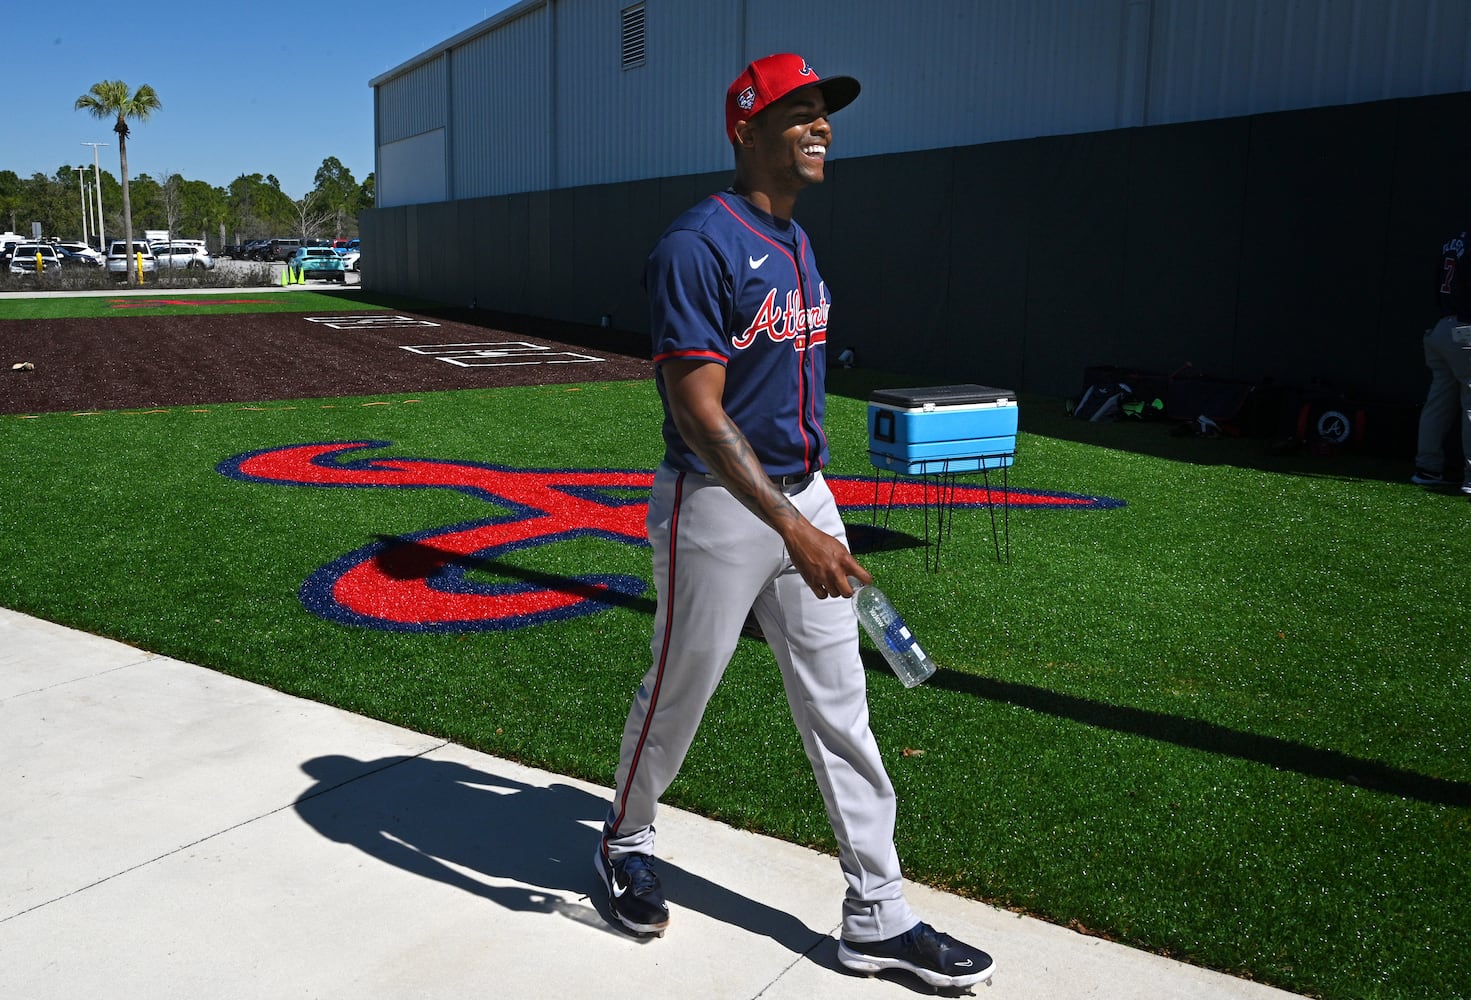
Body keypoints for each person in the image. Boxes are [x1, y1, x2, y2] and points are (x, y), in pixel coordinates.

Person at [593, 52, 995, 990]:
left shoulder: (797, 240)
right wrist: (793, 526)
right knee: (677, 689)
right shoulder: (696, 244)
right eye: (798, 114)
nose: (820, 128)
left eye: (825, 113)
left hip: (804, 498)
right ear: (745, 128)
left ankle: (878, 913)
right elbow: (699, 411)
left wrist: (812, 515)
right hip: (714, 508)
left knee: (841, 706)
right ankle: (624, 837)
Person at [1412, 227, 1471, 493]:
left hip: (1443, 327)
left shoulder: (1452, 241)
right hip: (1466, 329)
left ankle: (1427, 468)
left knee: (1439, 401)